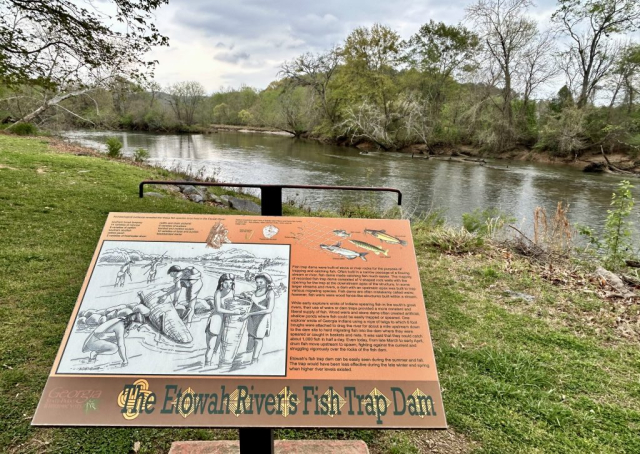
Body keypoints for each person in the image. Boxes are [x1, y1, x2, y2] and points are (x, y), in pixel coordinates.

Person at [204, 274, 244, 367]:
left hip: (226, 320)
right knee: (211, 346)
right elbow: (218, 309)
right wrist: (234, 312)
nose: (229, 285)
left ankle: (215, 365)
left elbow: (231, 302)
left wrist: (239, 298)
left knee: (219, 346)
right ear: (222, 283)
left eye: (231, 283)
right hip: (216, 319)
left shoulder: (232, 291)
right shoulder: (218, 292)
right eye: (227, 283)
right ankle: (207, 364)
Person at [238, 273, 276, 365]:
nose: (258, 284)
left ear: (267, 282)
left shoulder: (270, 293)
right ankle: (247, 357)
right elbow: (252, 303)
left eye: (261, 282)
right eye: (257, 282)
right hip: (252, 317)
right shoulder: (256, 291)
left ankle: (254, 359)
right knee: (250, 336)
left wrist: (249, 313)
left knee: (258, 338)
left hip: (262, 318)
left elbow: (269, 310)